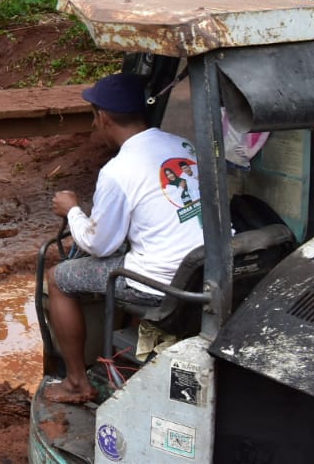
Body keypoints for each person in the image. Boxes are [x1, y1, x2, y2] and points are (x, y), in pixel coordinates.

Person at [44, 72, 204, 404]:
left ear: (101, 117)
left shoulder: (118, 170)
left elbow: (99, 244)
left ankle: (76, 382)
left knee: (59, 279)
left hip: (159, 282)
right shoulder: (183, 145)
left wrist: (72, 211)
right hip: (205, 273)